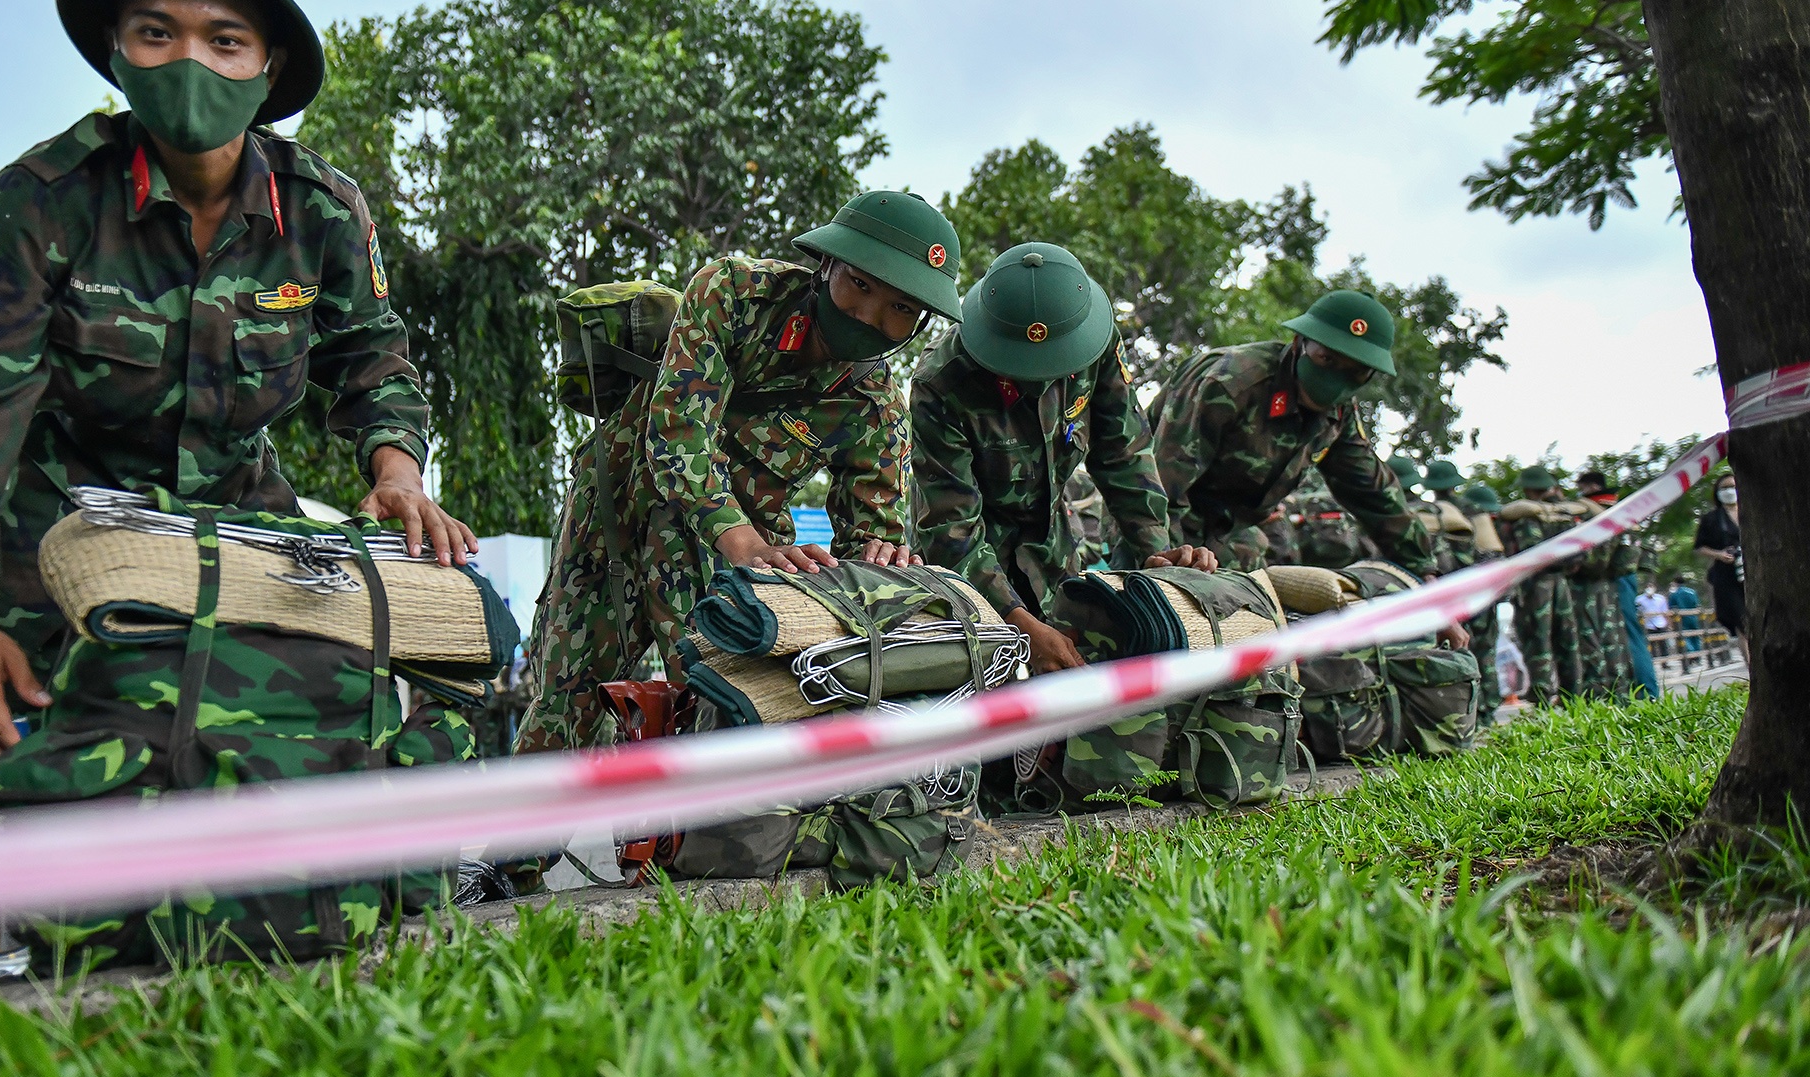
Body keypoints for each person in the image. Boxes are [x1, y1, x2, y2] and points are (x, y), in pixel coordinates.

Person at [0, 0, 470, 778]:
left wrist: (397, 473)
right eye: (156, 32)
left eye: (226, 40)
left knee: (303, 758)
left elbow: (370, 355)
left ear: (268, 65)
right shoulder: (44, 200)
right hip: (62, 536)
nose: (190, 61)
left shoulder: (319, 209)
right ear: (116, 48)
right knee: (53, 800)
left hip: (239, 528)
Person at [515, 191, 954, 754]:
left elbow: (876, 533)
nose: (870, 317)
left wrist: (880, 561)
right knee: (567, 699)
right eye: (860, 286)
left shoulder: (877, 406)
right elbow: (678, 438)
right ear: (826, 266)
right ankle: (521, 842)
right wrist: (742, 542)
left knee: (727, 708)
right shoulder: (735, 295)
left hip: (747, 552)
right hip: (621, 509)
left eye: (900, 308)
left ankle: (690, 841)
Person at [911, 242, 1213, 676]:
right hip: (966, 562)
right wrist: (1016, 624)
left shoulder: (1094, 342)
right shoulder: (940, 383)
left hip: (1054, 543)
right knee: (985, 685)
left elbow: (1123, 452)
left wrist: (1156, 552)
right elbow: (950, 524)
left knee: (1072, 677)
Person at [1148, 288, 1466, 648]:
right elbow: (1156, 487)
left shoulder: (1338, 415)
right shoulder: (1231, 382)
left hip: (1232, 539)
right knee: (1154, 633)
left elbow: (1376, 496)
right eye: (1327, 359)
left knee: (1248, 649)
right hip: (1154, 524)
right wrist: (1164, 568)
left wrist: (1429, 584)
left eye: (1356, 371)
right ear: (1300, 343)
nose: (1336, 379)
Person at [1425, 460, 1505, 717]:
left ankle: (1463, 711)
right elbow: (1492, 552)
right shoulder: (1473, 509)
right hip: (1481, 590)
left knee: (1457, 651)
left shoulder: (1429, 511)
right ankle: (1488, 711)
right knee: (1486, 651)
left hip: (1447, 594)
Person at [1501, 466, 1584, 704]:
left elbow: (1530, 552)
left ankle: (1542, 696)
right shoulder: (1562, 514)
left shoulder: (1525, 515)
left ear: (1527, 487)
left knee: (1537, 639)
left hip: (1535, 585)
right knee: (1567, 638)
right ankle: (1572, 695)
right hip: (1562, 582)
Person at [1571, 470, 1636, 698]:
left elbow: (1593, 556)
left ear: (1591, 487)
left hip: (1590, 583)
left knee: (1592, 638)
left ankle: (1600, 694)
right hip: (1617, 580)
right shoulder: (1617, 507)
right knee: (1618, 639)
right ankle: (1623, 691)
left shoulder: (1590, 510)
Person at [1693, 473, 1745, 652]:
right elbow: (1699, 547)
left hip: (1752, 573)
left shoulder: (1752, 512)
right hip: (1726, 576)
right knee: (1742, 623)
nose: (1729, 491)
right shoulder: (1711, 519)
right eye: (1724, 488)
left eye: (1732, 486)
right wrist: (1719, 554)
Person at [1667, 574, 1704, 673]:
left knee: (1685, 637)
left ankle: (1690, 654)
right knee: (1695, 636)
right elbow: (1697, 604)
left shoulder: (1674, 594)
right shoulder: (1692, 592)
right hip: (1693, 617)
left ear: (1675, 583)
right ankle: (1697, 656)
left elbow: (1671, 607)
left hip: (1681, 619)